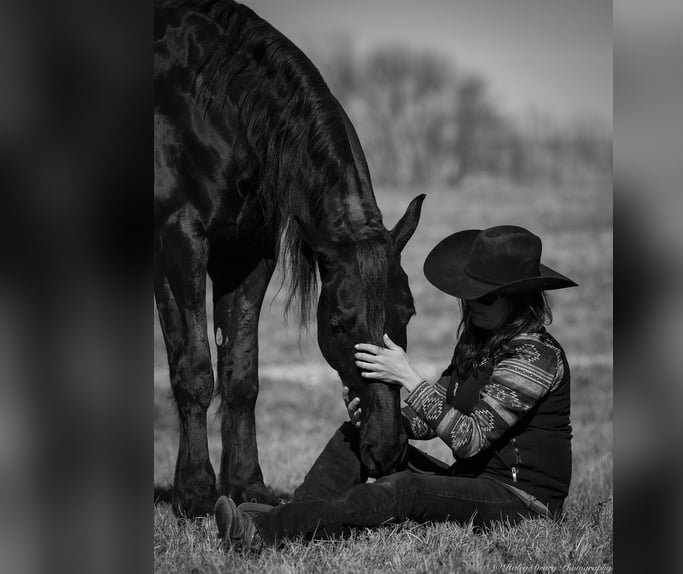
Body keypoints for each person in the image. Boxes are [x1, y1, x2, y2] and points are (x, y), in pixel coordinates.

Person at [214, 225, 577, 553]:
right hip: (471, 483)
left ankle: (264, 530)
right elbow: (432, 416)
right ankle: (300, 514)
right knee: (356, 435)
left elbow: (470, 439)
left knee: (406, 489)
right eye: (470, 294)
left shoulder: (535, 357)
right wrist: (384, 420)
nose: (471, 303)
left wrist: (410, 379)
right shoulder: (478, 341)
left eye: (485, 297)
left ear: (520, 298)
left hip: (521, 502)